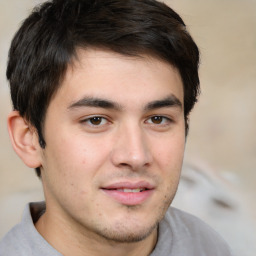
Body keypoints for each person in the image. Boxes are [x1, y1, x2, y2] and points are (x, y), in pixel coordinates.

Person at [0, 0, 233, 255]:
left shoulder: (207, 245)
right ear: (28, 139)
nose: (135, 156)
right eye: (95, 120)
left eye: (158, 119)